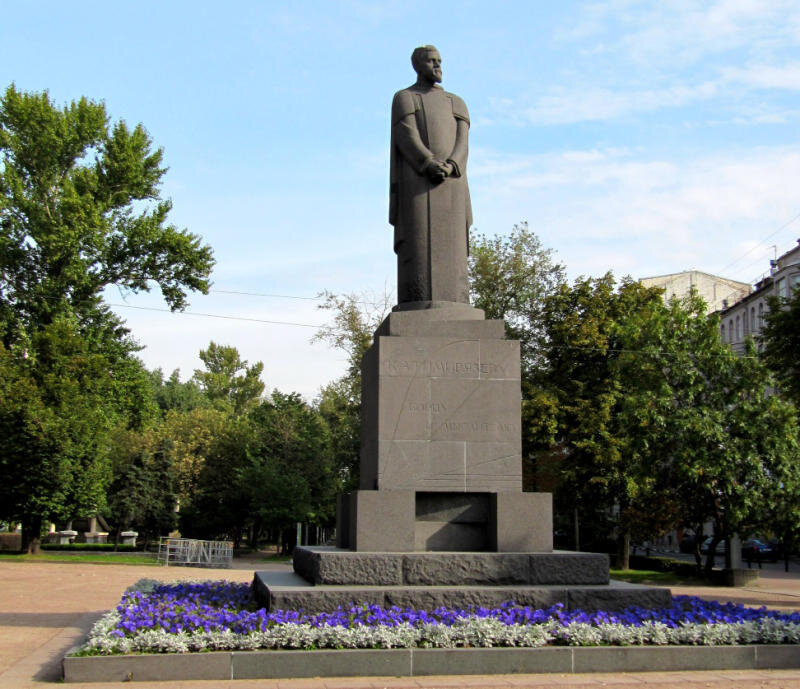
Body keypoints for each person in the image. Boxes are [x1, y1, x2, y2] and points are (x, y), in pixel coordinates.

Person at [389, 46, 472, 306]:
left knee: (454, 247)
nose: (438, 66)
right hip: (417, 182)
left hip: (453, 182)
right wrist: (427, 163)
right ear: (418, 66)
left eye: (439, 61)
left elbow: (463, 141)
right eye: (431, 61)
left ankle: (456, 302)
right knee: (418, 244)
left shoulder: (456, 102)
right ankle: (417, 301)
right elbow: (406, 134)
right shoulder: (405, 98)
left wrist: (451, 165)